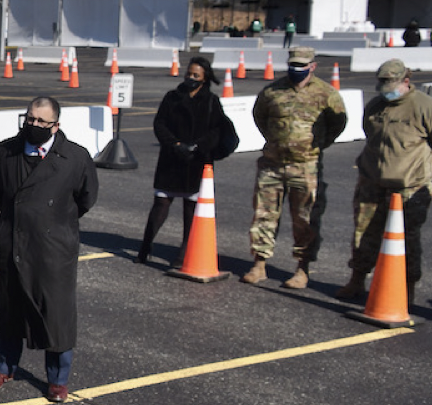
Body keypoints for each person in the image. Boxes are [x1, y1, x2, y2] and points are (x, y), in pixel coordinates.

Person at [0, 96, 99, 403]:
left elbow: (86, 198)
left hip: (53, 249)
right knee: (9, 311)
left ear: (56, 125)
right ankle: (4, 366)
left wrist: (53, 222)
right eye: (29, 119)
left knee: (56, 315)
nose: (33, 125)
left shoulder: (75, 158)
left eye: (41, 122)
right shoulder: (4, 151)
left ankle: (57, 378)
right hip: (13, 243)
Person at [334, 60, 432, 307]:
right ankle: (357, 280)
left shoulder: (429, 109)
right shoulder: (376, 106)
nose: (385, 88)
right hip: (372, 183)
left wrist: (418, 167)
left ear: (406, 81)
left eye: (390, 83)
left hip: (409, 188)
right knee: (363, 234)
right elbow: (369, 133)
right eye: (382, 83)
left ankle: (406, 289)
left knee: (407, 239)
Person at [243, 46, 347, 288]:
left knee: (305, 218)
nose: (296, 70)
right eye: (293, 65)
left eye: (302, 65)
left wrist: (317, 144)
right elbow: (260, 116)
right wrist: (276, 141)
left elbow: (338, 123)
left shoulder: (326, 94)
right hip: (273, 164)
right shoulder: (272, 91)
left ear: (312, 66)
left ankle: (302, 268)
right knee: (264, 215)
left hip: (305, 166)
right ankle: (259, 264)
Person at [136, 57, 237, 265]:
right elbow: (160, 124)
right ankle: (145, 247)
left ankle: (184, 253)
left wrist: (199, 146)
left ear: (204, 78)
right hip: (171, 159)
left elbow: (218, 130)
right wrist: (175, 144)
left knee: (191, 208)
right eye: (188, 74)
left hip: (196, 161)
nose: (190, 78)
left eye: (196, 75)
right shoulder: (172, 97)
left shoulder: (211, 101)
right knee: (161, 203)